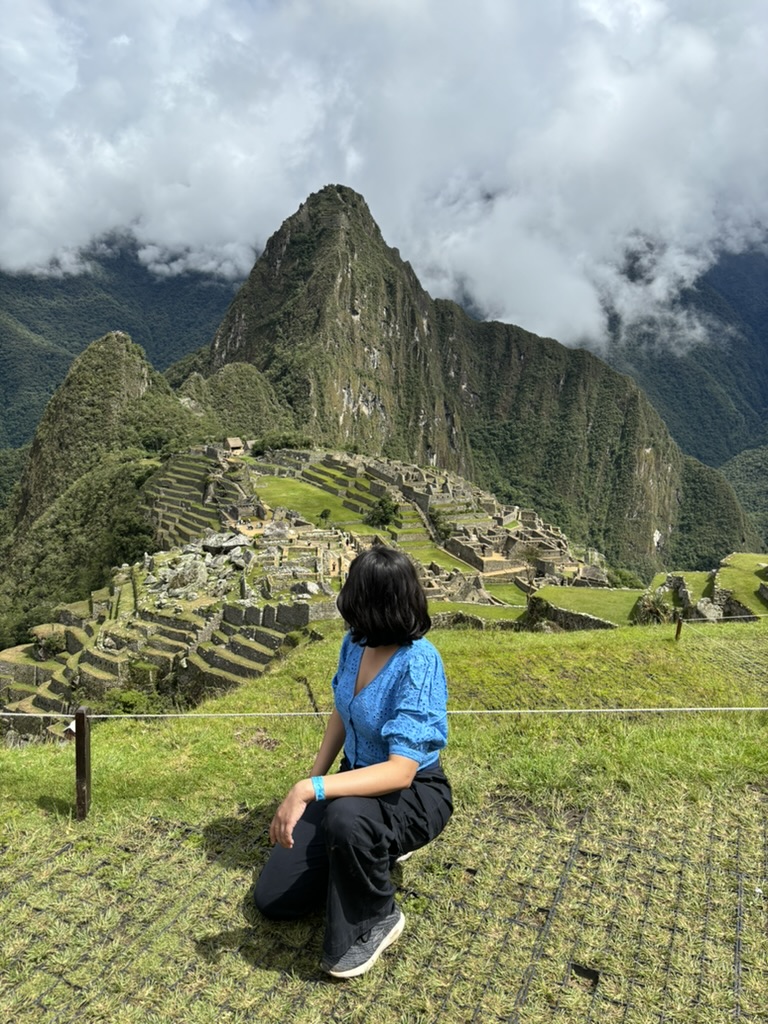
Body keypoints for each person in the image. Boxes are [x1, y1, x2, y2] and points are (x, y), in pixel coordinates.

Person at [254, 544, 453, 979]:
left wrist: (310, 790)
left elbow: (401, 770)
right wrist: (313, 785)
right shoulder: (355, 643)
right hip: (355, 781)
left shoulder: (419, 663)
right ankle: (371, 848)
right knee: (275, 900)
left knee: (345, 819)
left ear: (375, 603)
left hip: (413, 791)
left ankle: (378, 917)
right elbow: (342, 712)